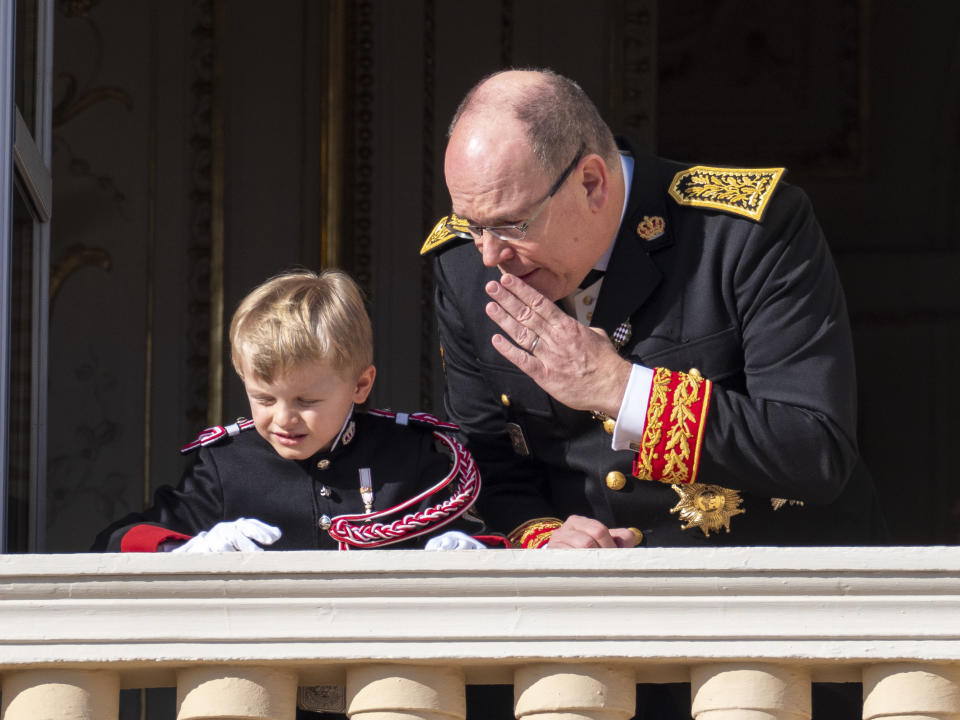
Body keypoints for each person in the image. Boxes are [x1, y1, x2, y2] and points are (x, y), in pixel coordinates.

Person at [423, 68, 886, 551]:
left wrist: (620, 390)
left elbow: (817, 451)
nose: (490, 255)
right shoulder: (464, 268)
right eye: (472, 225)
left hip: (777, 590)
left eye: (513, 225)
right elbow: (487, 463)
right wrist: (546, 541)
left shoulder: (744, 233)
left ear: (591, 183)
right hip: (588, 607)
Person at [92, 269, 500, 554]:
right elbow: (117, 542)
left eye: (306, 401)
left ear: (361, 385)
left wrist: (469, 551)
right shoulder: (225, 467)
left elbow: (482, 540)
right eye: (265, 399)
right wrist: (186, 549)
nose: (284, 418)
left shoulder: (407, 456)